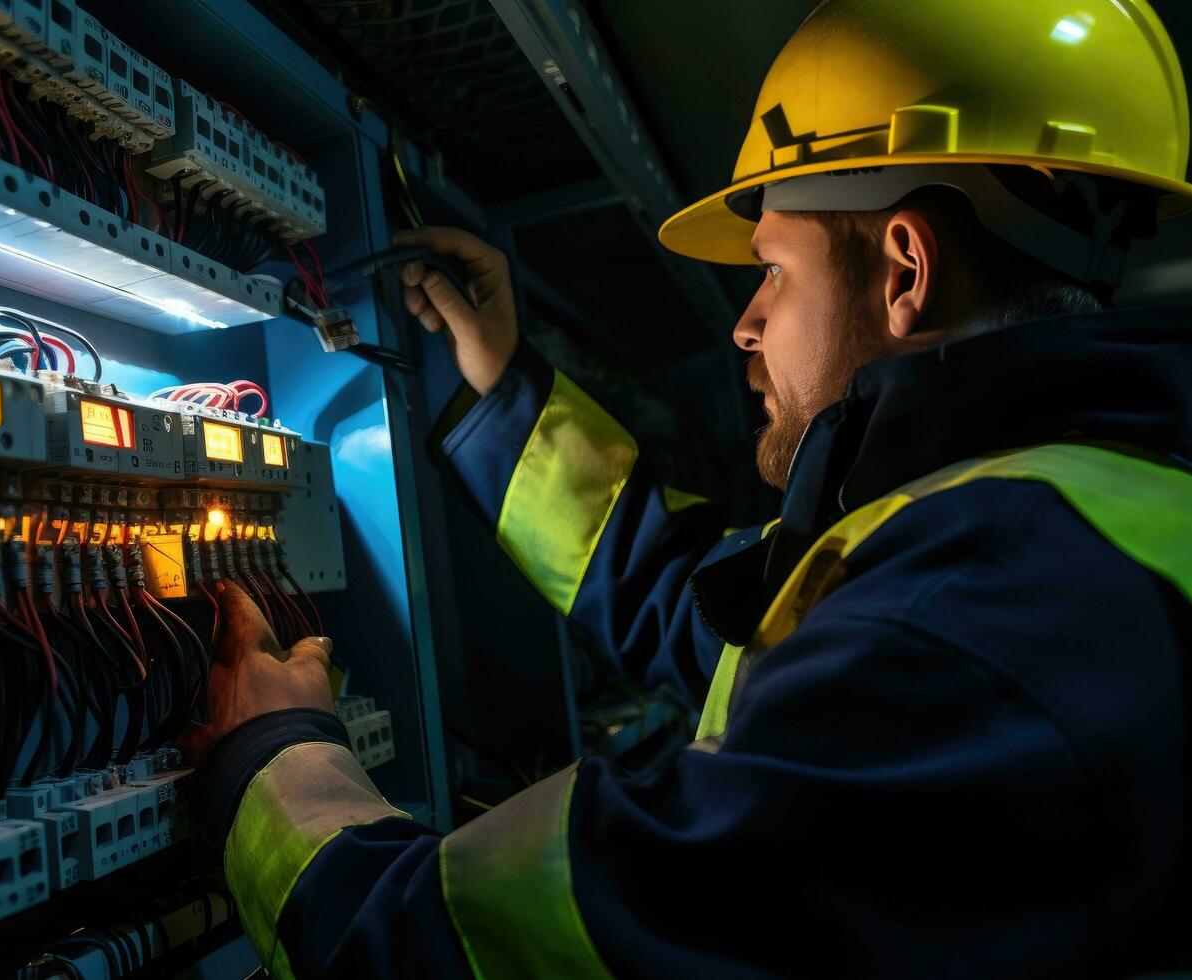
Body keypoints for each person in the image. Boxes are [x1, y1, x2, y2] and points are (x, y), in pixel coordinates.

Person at [184, 0, 1192, 975]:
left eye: (773, 271)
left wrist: (275, 760)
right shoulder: (1038, 531)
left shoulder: (973, 618)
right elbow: (687, 601)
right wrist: (505, 386)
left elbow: (544, 939)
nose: (747, 326)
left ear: (903, 270)